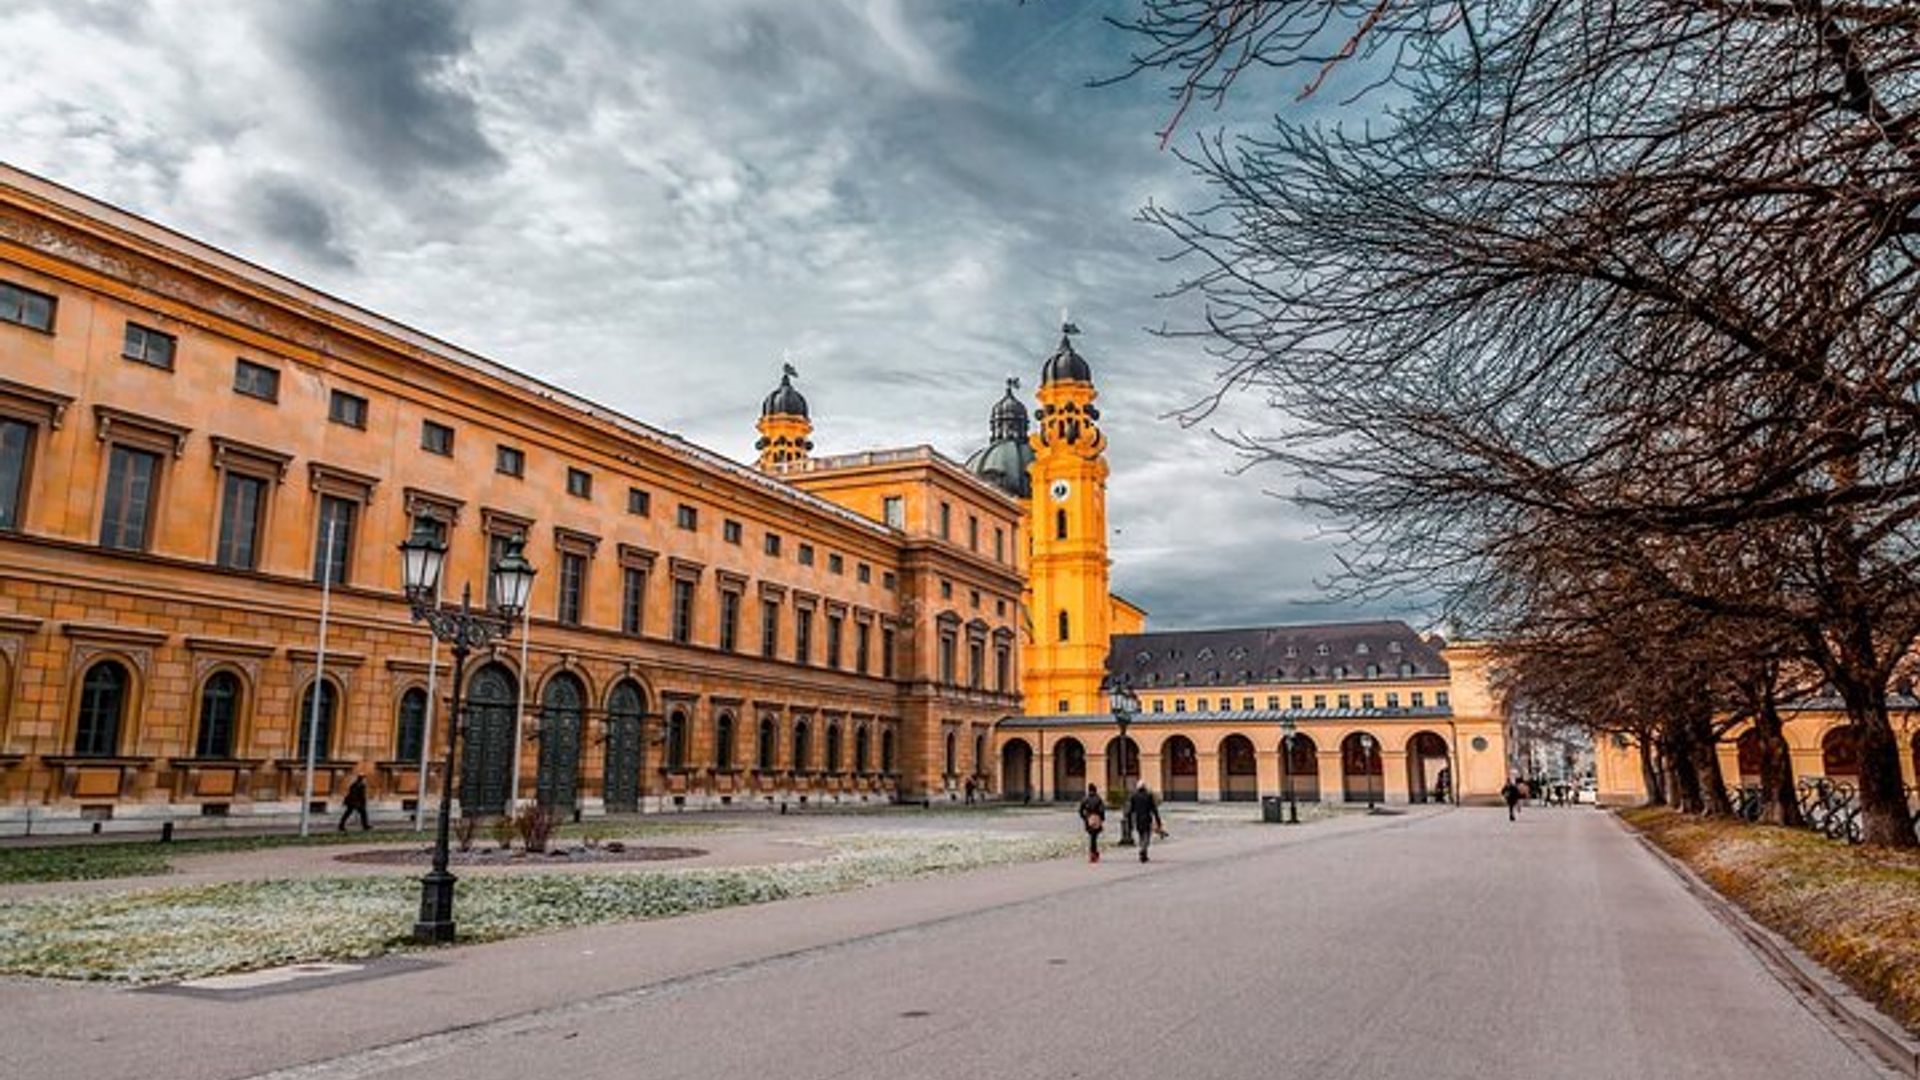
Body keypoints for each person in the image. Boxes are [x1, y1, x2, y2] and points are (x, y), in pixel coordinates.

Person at [1127, 780, 1164, 863]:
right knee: (1147, 836)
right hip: (1147, 818)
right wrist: (1158, 821)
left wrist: (1130, 822)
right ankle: (1143, 850)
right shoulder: (1148, 796)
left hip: (1138, 819)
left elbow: (1131, 810)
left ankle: (1143, 852)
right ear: (1144, 787)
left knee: (1141, 835)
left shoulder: (1134, 796)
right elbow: (1154, 809)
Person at [1078, 783, 1106, 863]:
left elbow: (1080, 810)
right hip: (1096, 819)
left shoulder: (1085, 799)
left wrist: (1084, 818)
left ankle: (1093, 854)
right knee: (1094, 838)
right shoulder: (1098, 799)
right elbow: (1102, 810)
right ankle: (1093, 854)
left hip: (1089, 819)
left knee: (1092, 837)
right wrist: (1102, 819)